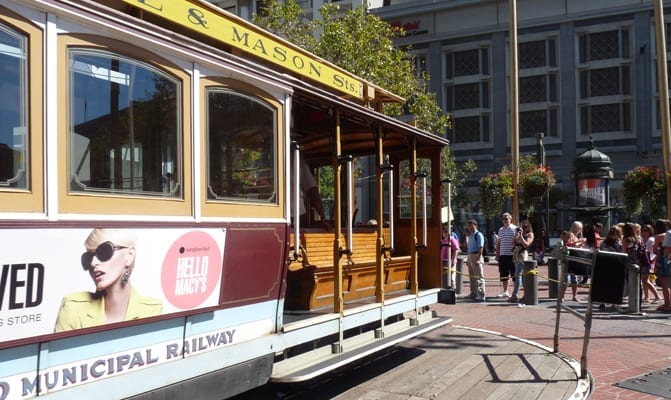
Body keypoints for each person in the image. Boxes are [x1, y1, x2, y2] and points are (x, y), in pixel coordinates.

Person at [55, 229, 163, 332]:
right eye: (89, 257)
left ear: (129, 256)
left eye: (104, 252)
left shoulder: (153, 311)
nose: (93, 263)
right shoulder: (73, 307)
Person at [509, 220, 534, 303]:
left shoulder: (530, 234)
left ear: (528, 227)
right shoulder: (519, 234)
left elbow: (527, 244)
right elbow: (512, 242)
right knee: (519, 275)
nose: (523, 228)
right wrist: (517, 234)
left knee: (519, 275)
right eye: (522, 227)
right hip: (516, 254)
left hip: (523, 254)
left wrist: (522, 237)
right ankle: (521, 295)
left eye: (525, 227)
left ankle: (515, 295)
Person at [495, 212, 517, 299]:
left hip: (512, 255)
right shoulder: (500, 230)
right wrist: (497, 254)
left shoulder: (515, 228)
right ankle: (505, 291)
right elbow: (499, 243)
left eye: (506, 219)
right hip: (503, 255)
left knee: (514, 274)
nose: (504, 220)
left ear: (510, 219)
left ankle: (515, 292)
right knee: (503, 274)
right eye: (503, 219)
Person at [465, 219, 486, 301]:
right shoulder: (470, 235)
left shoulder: (479, 235)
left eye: (471, 225)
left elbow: (481, 247)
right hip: (470, 255)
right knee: (472, 276)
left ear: (475, 225)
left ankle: (481, 294)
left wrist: (478, 259)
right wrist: (467, 258)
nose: (469, 227)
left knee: (479, 276)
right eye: (468, 225)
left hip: (476, 255)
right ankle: (473, 292)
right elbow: (469, 248)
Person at [641, 224, 661, 303]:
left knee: (646, 280)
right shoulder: (643, 239)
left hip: (650, 262)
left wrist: (653, 260)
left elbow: (656, 252)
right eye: (643, 230)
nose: (644, 232)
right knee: (644, 280)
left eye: (646, 230)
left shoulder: (651, 240)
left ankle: (657, 295)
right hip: (645, 261)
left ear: (650, 231)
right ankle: (646, 296)